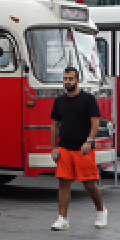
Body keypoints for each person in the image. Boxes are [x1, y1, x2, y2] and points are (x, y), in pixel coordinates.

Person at [49, 67, 107, 231]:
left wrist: (89, 141)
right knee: (63, 183)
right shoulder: (59, 101)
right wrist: (53, 147)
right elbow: (54, 125)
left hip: (83, 149)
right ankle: (62, 218)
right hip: (65, 148)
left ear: (77, 80)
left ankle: (101, 211)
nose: (67, 81)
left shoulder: (88, 99)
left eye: (70, 78)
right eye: (65, 78)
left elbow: (95, 122)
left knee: (89, 184)